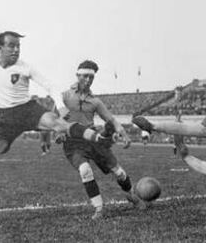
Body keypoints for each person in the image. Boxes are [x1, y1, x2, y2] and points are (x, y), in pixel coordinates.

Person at [0, 31, 113, 222]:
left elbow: (50, 86)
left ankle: (100, 139)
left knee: (58, 124)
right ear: (0, 47)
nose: (16, 50)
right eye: (11, 46)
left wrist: (61, 105)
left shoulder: (25, 67)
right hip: (4, 117)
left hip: (27, 109)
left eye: (18, 46)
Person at [57, 60, 146, 220]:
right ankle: (99, 208)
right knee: (85, 170)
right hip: (73, 143)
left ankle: (131, 195)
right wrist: (58, 131)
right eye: (85, 76)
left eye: (91, 77)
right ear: (77, 75)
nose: (88, 80)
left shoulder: (96, 101)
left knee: (119, 173)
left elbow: (111, 120)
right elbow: (54, 119)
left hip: (93, 140)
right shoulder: (64, 96)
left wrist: (124, 134)